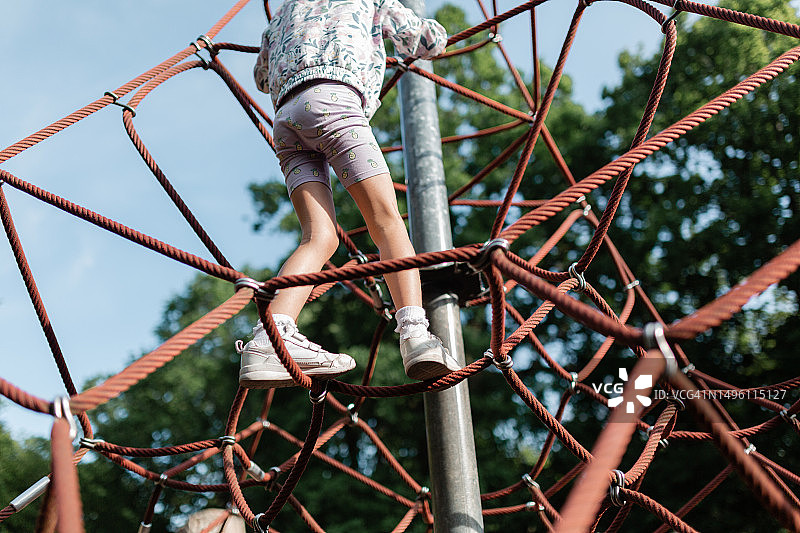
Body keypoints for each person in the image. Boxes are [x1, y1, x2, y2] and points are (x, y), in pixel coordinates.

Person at [236, 0, 460, 389]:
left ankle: (269, 339)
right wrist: (438, 33)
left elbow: (261, 76)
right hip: (335, 105)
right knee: (386, 221)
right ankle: (415, 335)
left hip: (287, 120)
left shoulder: (282, 14)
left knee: (318, 237)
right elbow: (423, 41)